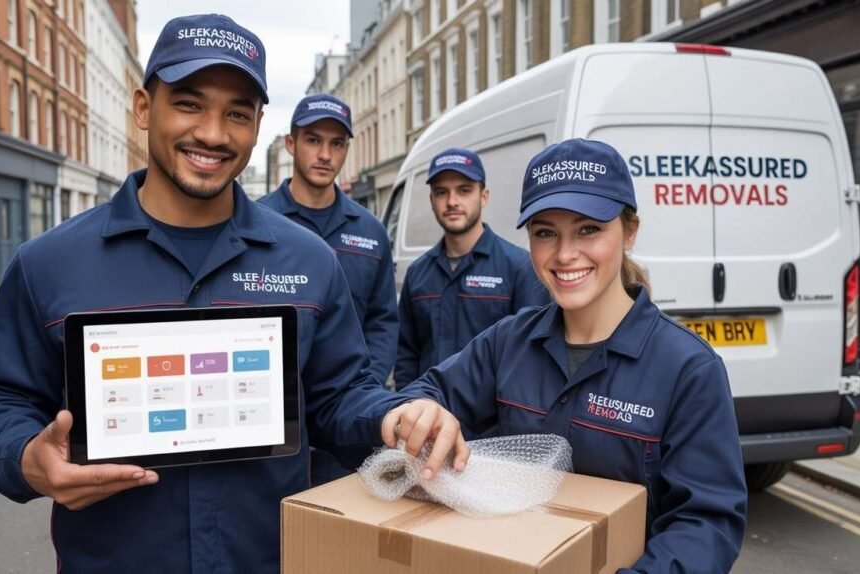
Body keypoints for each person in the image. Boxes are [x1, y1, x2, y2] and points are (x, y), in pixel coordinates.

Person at [0, 14, 467, 573]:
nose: (215, 133)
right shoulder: (49, 264)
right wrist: (28, 458)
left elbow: (338, 394)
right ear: (144, 108)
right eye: (189, 103)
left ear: (257, 126)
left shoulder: (309, 262)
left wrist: (395, 415)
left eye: (238, 114)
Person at [412, 139, 747, 572]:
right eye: (545, 233)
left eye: (588, 229)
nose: (565, 254)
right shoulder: (507, 342)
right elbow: (428, 392)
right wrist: (419, 411)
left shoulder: (688, 369)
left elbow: (706, 524)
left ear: (629, 232)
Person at [259, 95, 398, 484]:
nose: (325, 154)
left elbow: (383, 318)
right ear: (290, 144)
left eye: (336, 144)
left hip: (346, 420)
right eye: (313, 140)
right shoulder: (258, 222)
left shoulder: (369, 231)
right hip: (276, 419)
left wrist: (364, 388)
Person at [394, 147, 549, 390]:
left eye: (464, 191)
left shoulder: (519, 267)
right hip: (429, 416)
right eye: (441, 192)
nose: (452, 201)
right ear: (432, 201)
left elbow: (531, 356)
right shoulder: (418, 273)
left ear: (484, 196)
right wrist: (408, 401)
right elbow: (406, 353)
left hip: (491, 422)